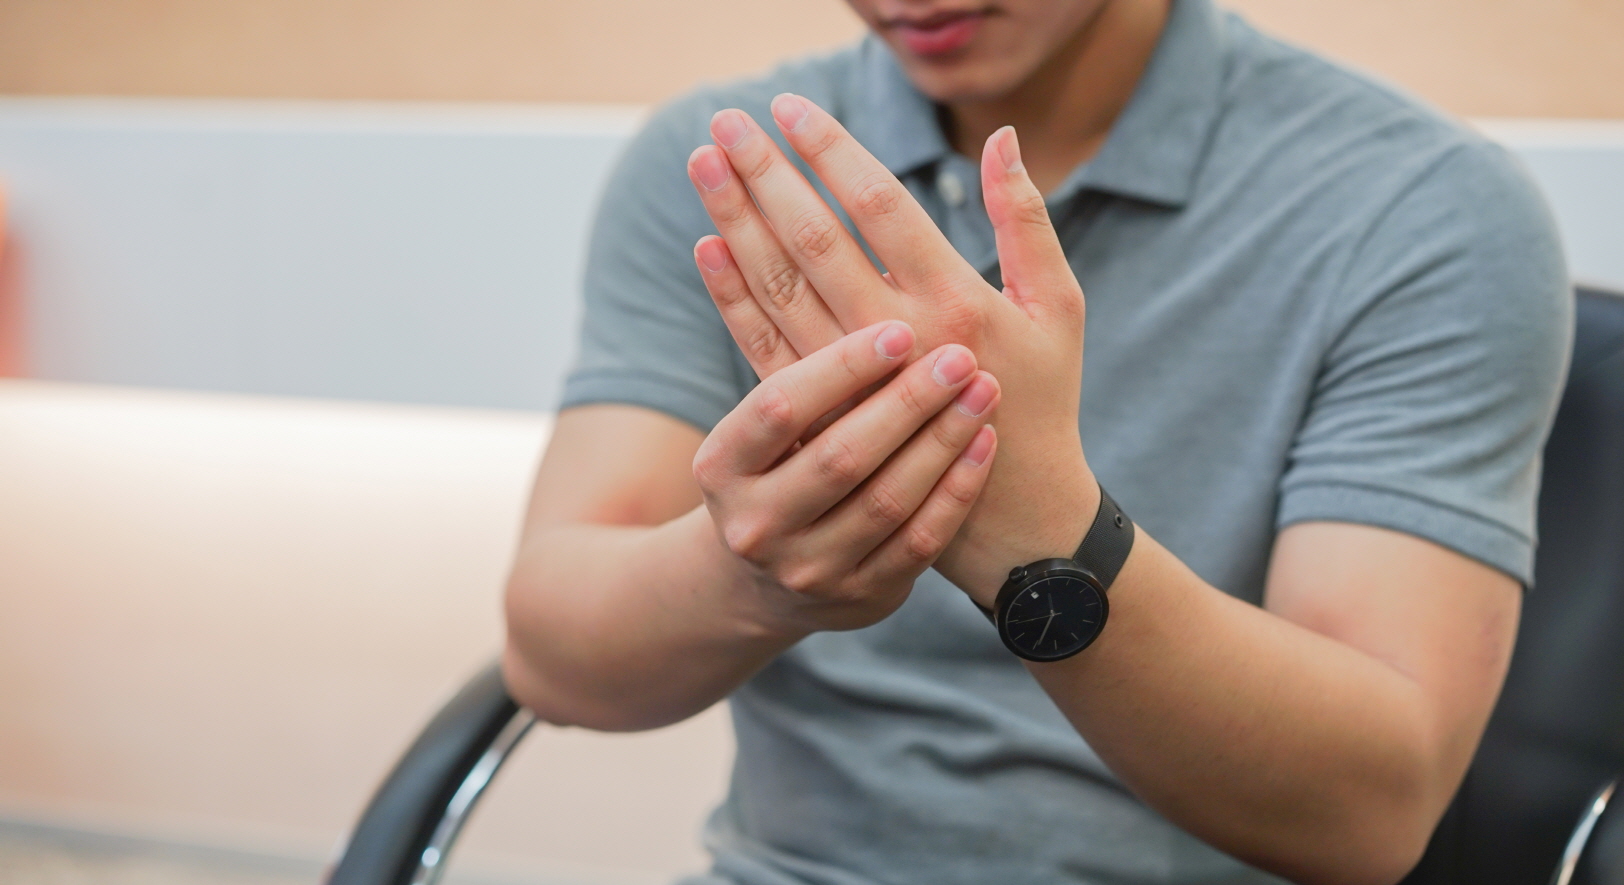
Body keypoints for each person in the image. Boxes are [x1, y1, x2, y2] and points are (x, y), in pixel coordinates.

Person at [502, 0, 1572, 882]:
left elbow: (1369, 814)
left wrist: (1041, 531)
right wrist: (755, 577)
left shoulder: (1421, 207)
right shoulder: (731, 171)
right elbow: (553, 658)